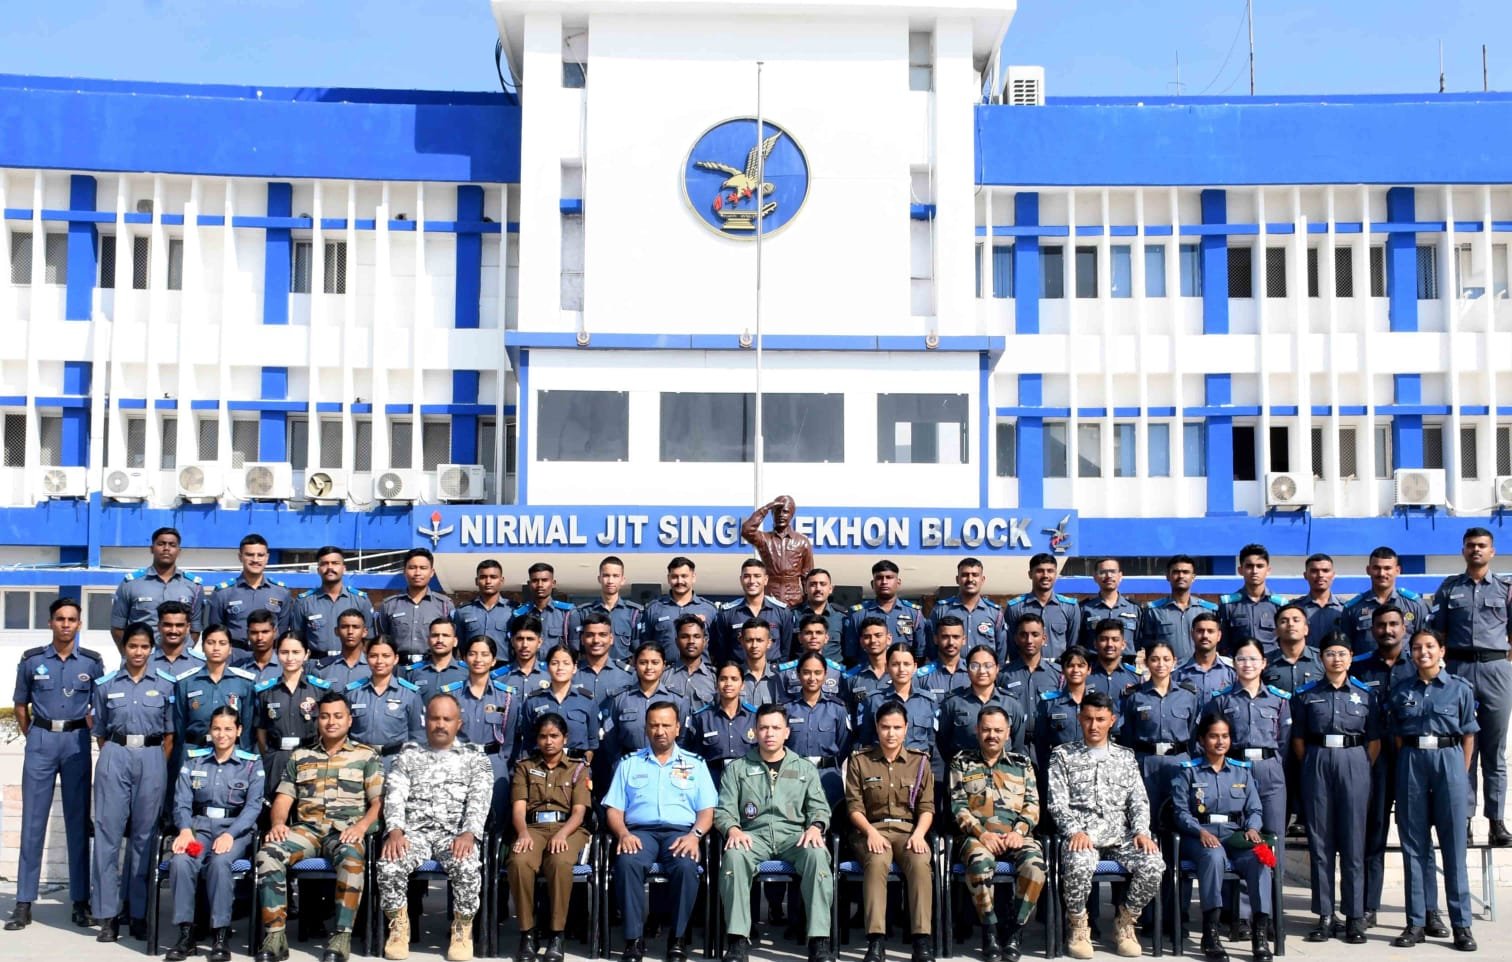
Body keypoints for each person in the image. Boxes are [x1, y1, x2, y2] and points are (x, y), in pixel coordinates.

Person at [254, 692, 382, 962]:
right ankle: (275, 936)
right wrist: (278, 824)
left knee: (351, 858)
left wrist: (361, 827)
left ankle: (341, 936)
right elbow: (284, 797)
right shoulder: (300, 756)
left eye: (338, 716)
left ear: (349, 720)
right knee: (268, 853)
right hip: (307, 832)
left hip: (345, 831)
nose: (331, 722)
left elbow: (378, 803)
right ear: (317, 720)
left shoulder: (365, 756)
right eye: (324, 716)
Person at [7, 596, 103, 931]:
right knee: (33, 823)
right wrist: (35, 735)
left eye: (71, 619)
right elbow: (21, 705)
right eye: (60, 619)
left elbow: (99, 708)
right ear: (50, 623)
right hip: (42, 741)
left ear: (79, 624)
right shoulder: (32, 661)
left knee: (78, 823)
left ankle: (80, 901)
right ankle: (23, 902)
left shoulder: (91, 663)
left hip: (76, 742)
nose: (65, 624)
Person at [377, 692, 494, 962]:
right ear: (425, 721)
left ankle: (462, 929)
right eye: (434, 718)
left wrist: (469, 833)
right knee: (389, 863)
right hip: (413, 834)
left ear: (459, 724)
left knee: (466, 865)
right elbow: (395, 795)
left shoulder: (475, 758)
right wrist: (394, 830)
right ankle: (398, 926)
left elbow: (480, 800)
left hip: (454, 835)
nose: (440, 724)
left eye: (447, 719)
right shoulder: (407, 756)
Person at [1047, 691, 1163, 960]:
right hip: (1082, 834)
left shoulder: (1125, 757)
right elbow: (1057, 803)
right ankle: (1078, 924)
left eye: (1100, 719)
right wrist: (1073, 830)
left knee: (1154, 863)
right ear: (1079, 719)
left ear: (1112, 720)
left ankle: (1126, 922)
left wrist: (1142, 832)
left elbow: (1138, 801)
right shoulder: (1063, 755)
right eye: (1088, 719)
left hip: (1119, 835)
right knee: (1078, 862)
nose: (1093, 725)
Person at [715, 703, 835, 962]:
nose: (769, 733)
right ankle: (737, 939)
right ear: (754, 732)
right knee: (734, 858)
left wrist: (816, 827)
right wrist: (733, 829)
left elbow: (819, 808)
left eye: (776, 728)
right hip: (752, 836)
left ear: (787, 732)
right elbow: (724, 810)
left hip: (794, 836)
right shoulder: (737, 768)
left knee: (817, 855)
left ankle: (819, 940)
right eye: (764, 727)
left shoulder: (804, 768)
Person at [603, 701, 717, 962]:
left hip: (681, 833)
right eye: (654, 725)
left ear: (678, 728)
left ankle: (677, 939)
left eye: (666, 725)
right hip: (639, 832)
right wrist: (622, 833)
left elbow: (707, 811)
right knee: (627, 863)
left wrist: (695, 836)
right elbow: (614, 809)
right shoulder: (629, 763)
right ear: (646, 728)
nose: (660, 731)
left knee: (687, 867)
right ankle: (633, 939)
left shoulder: (695, 764)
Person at [1352, 605, 1442, 933]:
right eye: (1381, 625)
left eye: (1393, 624)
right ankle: (1367, 906)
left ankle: (1429, 910)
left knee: (1417, 838)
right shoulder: (1359, 668)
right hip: (1373, 760)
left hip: (1412, 761)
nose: (1387, 630)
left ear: (1403, 628)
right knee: (1371, 836)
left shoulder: (1417, 664)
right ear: (1372, 630)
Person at [1387, 630, 1479, 952]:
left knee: (1454, 848)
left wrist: (1459, 772)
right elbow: (1398, 736)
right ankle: (1416, 922)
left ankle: (1461, 925)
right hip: (1412, 762)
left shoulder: (1459, 689)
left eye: (1429, 647)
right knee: (1414, 846)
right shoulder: (1401, 692)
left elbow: (1469, 735)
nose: (1422, 652)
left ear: (1442, 651)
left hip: (1449, 762)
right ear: (1410, 653)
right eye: (1416, 648)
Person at [1290, 633, 1380, 943]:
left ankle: (1354, 915)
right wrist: (1317, 762)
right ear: (1321, 658)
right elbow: (1299, 741)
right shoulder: (1305, 695)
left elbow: (1375, 742)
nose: (1336, 659)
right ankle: (1325, 915)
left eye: (1342, 653)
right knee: (1320, 843)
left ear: (1351, 656)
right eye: (1330, 653)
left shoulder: (1366, 695)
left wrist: (1356, 766)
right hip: (1317, 761)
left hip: (1354, 760)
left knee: (1354, 843)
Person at [92, 622, 175, 942]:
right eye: (132, 646)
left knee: (144, 839)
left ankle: (138, 913)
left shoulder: (166, 685)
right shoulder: (106, 684)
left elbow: (170, 735)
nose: (138, 652)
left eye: (144, 647)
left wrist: (155, 764)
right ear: (123, 648)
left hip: (153, 757)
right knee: (107, 836)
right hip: (115, 754)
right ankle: (108, 915)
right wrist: (118, 754)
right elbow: (99, 730)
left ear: (151, 648)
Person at [1430, 527, 1512, 847]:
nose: (1476, 550)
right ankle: (1462, 817)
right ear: (1463, 551)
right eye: (1470, 546)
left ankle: (1496, 820)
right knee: (1463, 747)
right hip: (1459, 670)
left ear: (1492, 551)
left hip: (1495, 670)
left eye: (1482, 546)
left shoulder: (1505, 589)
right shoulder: (1449, 589)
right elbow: (1438, 636)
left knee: (1495, 749)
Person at [1169, 713, 1274, 962]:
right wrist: (1200, 831)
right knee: (1214, 857)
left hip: (1234, 835)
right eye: (1214, 736)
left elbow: (1255, 809)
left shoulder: (1242, 772)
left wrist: (1253, 828)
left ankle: (1259, 934)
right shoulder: (1189, 772)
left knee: (1260, 859)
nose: (1220, 741)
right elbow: (1180, 812)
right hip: (1199, 837)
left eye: (1224, 736)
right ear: (1203, 740)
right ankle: (1211, 934)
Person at [164, 707, 265, 962]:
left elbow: (253, 807)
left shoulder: (251, 764)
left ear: (239, 731)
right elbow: (182, 802)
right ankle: (186, 934)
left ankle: (221, 935)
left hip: (234, 830)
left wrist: (231, 834)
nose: (222, 734)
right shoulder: (194, 761)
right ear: (210, 730)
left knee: (221, 863)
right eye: (217, 728)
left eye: (228, 728)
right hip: (199, 830)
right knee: (182, 861)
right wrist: (185, 830)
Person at [949, 705, 1046, 962]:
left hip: (1018, 835)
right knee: (979, 863)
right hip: (976, 837)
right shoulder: (961, 761)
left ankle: (1014, 931)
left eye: (998, 730)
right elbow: (958, 806)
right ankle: (990, 932)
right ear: (977, 730)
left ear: (1008, 732)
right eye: (987, 729)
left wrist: (1019, 831)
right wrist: (982, 834)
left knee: (1035, 867)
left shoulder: (1022, 764)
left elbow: (1033, 805)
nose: (992, 735)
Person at [845, 702, 935, 962]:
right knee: (877, 861)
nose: (891, 733)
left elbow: (927, 807)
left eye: (897, 727)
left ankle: (921, 940)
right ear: (877, 728)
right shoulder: (860, 761)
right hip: (870, 830)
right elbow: (854, 806)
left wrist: (919, 835)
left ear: (906, 729)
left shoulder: (920, 763)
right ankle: (876, 940)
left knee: (920, 863)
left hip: (908, 830)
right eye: (885, 727)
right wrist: (871, 833)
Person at [506, 712, 592, 962]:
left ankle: (557, 934)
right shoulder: (525, 767)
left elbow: (579, 812)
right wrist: (522, 833)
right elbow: (519, 809)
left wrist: (563, 833)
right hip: (532, 828)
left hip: (568, 828)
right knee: (519, 862)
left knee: (559, 862)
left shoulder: (578, 769)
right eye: (543, 736)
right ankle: (528, 933)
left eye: (554, 736)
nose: (549, 741)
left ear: (564, 738)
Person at [1208, 640, 1290, 839]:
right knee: (1238, 831)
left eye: (1253, 659)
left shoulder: (1278, 699)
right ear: (1234, 663)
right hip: (1235, 768)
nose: (1247, 664)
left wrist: (1275, 764)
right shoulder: (1221, 700)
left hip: (1270, 770)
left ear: (1264, 663)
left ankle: (1276, 871)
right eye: (1241, 659)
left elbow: (1284, 741)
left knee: (1274, 832)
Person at [1118, 640, 1199, 828]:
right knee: (1146, 817)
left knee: (1179, 815)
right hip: (1146, 762)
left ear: (1174, 662)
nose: (1160, 664)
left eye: (1166, 659)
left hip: (1179, 761)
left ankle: (1176, 856)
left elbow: (1194, 735)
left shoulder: (1188, 695)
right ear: (1146, 663)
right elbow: (1127, 736)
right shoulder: (1134, 696)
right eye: (1154, 659)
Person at [254, 631, 334, 797]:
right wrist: (270, 755)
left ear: (307, 655)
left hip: (311, 758)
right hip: (277, 758)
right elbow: (261, 731)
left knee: (308, 809)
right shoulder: (266, 691)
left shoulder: (320, 690)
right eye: (284, 652)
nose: (290, 658)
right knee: (274, 808)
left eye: (296, 652)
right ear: (277, 654)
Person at [451, 635, 517, 818]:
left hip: (494, 761)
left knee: (496, 816)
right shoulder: (452, 694)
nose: (478, 659)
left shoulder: (507, 697)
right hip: (460, 762)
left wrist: (501, 761)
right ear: (464, 658)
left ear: (493, 660)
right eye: (472, 654)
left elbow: (509, 738)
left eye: (484, 654)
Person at [173, 624, 258, 767]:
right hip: (194, 752)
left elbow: (247, 728)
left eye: (222, 643)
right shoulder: (186, 682)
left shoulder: (244, 683)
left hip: (232, 754)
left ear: (230, 649)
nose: (216, 648)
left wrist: (244, 760)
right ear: (202, 647)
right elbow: (180, 727)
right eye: (210, 643)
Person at [111, 526, 204, 649]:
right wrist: (129, 655)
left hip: (178, 661)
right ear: (152, 549)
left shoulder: (194, 586)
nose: (166, 548)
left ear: (179, 551)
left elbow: (195, 629)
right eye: (161, 544)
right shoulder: (130, 584)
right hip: (142, 659)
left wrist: (183, 654)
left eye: (172, 545)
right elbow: (117, 627)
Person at [782, 651, 852, 804]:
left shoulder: (837, 709)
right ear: (798, 674)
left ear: (825, 674)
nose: (812, 678)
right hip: (793, 774)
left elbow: (844, 745)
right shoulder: (786, 709)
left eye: (817, 673)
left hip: (827, 775)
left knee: (831, 821)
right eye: (806, 673)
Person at [346, 635, 425, 768]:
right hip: (358, 762)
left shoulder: (410, 694)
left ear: (396, 659)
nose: (379, 661)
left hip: (396, 762)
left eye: (386, 656)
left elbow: (418, 735)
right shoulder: (352, 692)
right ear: (366, 658)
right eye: (373, 656)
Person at [939, 645, 1026, 763]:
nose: (982, 671)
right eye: (975, 666)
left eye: (988, 666)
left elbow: (1018, 745)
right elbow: (943, 742)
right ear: (967, 669)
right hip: (963, 773)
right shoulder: (952, 703)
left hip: (1002, 773)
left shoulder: (1011, 703)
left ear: (997, 668)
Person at [286, 547, 374, 658]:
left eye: (335, 563)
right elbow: (297, 639)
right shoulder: (304, 602)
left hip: (351, 663)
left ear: (344, 568)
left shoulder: (361, 601)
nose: (330, 567)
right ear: (318, 570)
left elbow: (368, 639)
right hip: (316, 665)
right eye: (324, 564)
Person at [1340, 546, 1431, 654]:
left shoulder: (1415, 605)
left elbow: (1425, 641)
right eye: (1376, 568)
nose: (1382, 573)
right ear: (1368, 570)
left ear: (1397, 570)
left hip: (1406, 669)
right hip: (1366, 669)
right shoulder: (1353, 608)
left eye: (1387, 568)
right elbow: (1345, 648)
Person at [205, 533, 290, 650]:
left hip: (269, 657)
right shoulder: (223, 593)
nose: (255, 560)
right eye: (250, 555)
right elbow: (215, 631)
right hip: (234, 656)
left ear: (267, 558)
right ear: (240, 557)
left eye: (260, 555)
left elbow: (283, 630)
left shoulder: (281, 593)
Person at [603, 642, 688, 758]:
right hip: (629, 763)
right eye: (643, 662)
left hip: (666, 764)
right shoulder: (620, 699)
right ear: (635, 665)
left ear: (664, 665)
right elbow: (611, 738)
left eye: (655, 662)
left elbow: (683, 738)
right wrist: (620, 763)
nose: (649, 667)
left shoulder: (677, 700)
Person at [682, 662, 760, 784]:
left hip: (748, 783)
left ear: (742, 685)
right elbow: (693, 756)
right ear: (716, 685)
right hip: (712, 783)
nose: (728, 684)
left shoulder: (755, 717)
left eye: (734, 679)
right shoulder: (702, 718)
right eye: (723, 679)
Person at [377, 548, 456, 663]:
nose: (417, 573)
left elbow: (452, 641)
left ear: (432, 572)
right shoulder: (389, 605)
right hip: (398, 667)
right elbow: (382, 640)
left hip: (431, 668)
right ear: (404, 571)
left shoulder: (444, 604)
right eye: (412, 568)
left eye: (423, 568)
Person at [521, 644, 599, 758]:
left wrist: (585, 765)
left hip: (575, 766)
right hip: (541, 766)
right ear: (547, 667)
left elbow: (592, 742)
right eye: (554, 663)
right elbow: (528, 740)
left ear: (574, 668)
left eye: (566, 663)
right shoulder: (534, 701)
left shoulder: (587, 700)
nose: (560, 668)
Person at [1138, 555, 1218, 663]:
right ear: (1168, 576)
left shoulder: (1208, 610)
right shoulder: (1154, 611)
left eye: (1185, 572)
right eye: (1176, 572)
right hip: (1168, 673)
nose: (1181, 576)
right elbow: (1148, 647)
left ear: (1193, 577)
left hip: (1200, 671)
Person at [641, 556, 721, 663]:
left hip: (700, 675)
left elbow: (717, 647)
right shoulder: (654, 609)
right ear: (668, 578)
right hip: (664, 675)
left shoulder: (709, 609)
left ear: (693, 577)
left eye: (684, 576)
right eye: (675, 576)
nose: (679, 581)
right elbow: (645, 645)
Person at [1001, 554, 1081, 661]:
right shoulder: (1015, 608)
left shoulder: (1070, 607)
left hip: (1058, 673)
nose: (1045, 575)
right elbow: (1011, 646)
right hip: (1025, 671)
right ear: (1030, 574)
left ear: (1056, 574)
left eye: (1050, 571)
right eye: (1040, 571)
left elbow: (1073, 645)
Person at [713, 558, 794, 664]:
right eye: (747, 576)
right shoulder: (727, 613)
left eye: (757, 576)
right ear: (741, 580)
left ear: (765, 580)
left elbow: (786, 651)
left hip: (774, 676)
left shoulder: (782, 612)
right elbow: (722, 652)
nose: (752, 581)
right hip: (739, 676)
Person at [844, 561, 925, 665]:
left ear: (898, 582)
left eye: (889, 577)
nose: (884, 582)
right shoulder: (858, 614)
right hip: (868, 675)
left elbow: (920, 653)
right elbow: (851, 653)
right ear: (873, 584)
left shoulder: (913, 613)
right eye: (879, 578)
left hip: (902, 674)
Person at [998, 615, 1062, 748]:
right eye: (1023, 634)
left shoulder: (1058, 674)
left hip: (1048, 745)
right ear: (1016, 639)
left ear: (1044, 639)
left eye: (1035, 634)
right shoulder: (1003, 675)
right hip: (1015, 745)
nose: (1029, 640)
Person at [741, 495, 815, 608]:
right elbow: (747, 530)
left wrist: (807, 603)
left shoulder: (802, 541)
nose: (781, 515)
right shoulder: (764, 539)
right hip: (770, 597)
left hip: (795, 601)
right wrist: (765, 509)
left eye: (785, 512)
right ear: (772, 514)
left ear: (792, 514)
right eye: (777, 511)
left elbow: (807, 575)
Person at [569, 555, 644, 662]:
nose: (610, 581)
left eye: (615, 576)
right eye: (606, 575)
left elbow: (638, 650)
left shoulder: (634, 613)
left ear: (622, 580)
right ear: (599, 579)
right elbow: (575, 649)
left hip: (622, 675)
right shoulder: (584, 612)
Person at [930, 557, 1005, 662]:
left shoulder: (995, 613)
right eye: (965, 575)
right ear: (957, 579)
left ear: (982, 579)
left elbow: (1001, 650)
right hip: (950, 674)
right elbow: (931, 646)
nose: (970, 579)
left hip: (983, 674)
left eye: (975, 575)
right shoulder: (941, 610)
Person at [1035, 646, 1095, 770]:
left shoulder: (1097, 702)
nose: (1075, 670)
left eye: (1081, 665)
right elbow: (1041, 744)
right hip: (1059, 769)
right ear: (1062, 670)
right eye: (1070, 665)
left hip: (1091, 768)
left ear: (1089, 669)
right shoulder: (1049, 703)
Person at [1218, 545, 1285, 655]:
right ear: (1240, 570)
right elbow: (1223, 642)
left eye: (1260, 566)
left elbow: (1284, 640)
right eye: (1249, 566)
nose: (1254, 571)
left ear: (1268, 570)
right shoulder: (1228, 605)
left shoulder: (1279, 605)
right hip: (1240, 666)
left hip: (1271, 666)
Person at [773, 613, 847, 703]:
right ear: (800, 638)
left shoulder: (837, 672)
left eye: (819, 633)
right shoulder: (785, 672)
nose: (814, 637)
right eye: (808, 633)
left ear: (826, 638)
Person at [1080, 558, 1140, 659]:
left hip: (1126, 669)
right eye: (1103, 572)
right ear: (1095, 577)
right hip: (1094, 668)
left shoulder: (1134, 609)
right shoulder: (1084, 609)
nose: (1108, 576)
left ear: (1120, 576)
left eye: (1113, 571)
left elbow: (1139, 641)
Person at [1174, 613, 1235, 707]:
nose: (1205, 635)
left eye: (1210, 631)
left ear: (1219, 636)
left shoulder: (1232, 670)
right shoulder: (1177, 671)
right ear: (1192, 634)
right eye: (1200, 631)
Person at [513, 561, 574, 651]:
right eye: (535, 581)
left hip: (556, 664)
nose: (540, 585)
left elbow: (574, 646)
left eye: (544, 580)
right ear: (529, 584)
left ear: (553, 583)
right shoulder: (519, 614)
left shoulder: (567, 613)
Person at [453, 559, 513, 650]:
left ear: (501, 580)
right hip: (473, 663)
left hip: (504, 663)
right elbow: (458, 644)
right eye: (483, 577)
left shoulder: (512, 610)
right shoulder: (463, 611)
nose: (488, 581)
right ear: (477, 581)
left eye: (493, 577)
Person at [665, 613, 720, 712]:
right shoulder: (664, 676)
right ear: (677, 641)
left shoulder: (715, 677)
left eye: (696, 636)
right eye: (685, 636)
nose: (691, 641)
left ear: (705, 641)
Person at [405, 617, 468, 700]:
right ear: (428, 640)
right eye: (435, 635)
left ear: (455, 641)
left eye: (445, 635)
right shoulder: (412, 673)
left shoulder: (467, 673)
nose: (440, 640)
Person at [794, 567, 847, 665]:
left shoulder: (841, 617)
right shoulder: (793, 615)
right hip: (802, 673)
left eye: (822, 584)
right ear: (805, 589)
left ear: (830, 589)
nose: (818, 588)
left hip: (834, 675)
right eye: (813, 584)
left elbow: (848, 651)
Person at [316, 608, 373, 690]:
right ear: (336, 631)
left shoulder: (374, 667)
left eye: (355, 627)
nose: (350, 631)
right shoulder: (323, 668)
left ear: (364, 632)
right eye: (344, 627)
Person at [843, 617, 894, 709]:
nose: (873, 640)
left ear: (889, 639)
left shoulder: (901, 673)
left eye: (878, 635)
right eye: (867, 637)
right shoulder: (852, 677)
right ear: (861, 642)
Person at [917, 615, 972, 698]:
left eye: (956, 637)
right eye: (945, 637)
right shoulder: (922, 677)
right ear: (935, 639)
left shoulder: (973, 673)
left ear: (964, 640)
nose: (951, 642)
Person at [151, 600, 206, 682]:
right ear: (159, 626)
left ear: (188, 627)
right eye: (168, 625)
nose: (173, 630)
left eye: (179, 625)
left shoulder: (201, 664)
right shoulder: (144, 661)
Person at [1086, 620, 1141, 702]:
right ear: (1095, 644)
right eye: (1104, 639)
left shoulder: (1136, 677)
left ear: (1123, 645)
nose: (1110, 644)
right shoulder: (1084, 675)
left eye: (1115, 639)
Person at [1296, 553, 1345, 643]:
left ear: (1333, 575)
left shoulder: (1345, 608)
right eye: (1314, 571)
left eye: (1325, 570)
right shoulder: (1295, 608)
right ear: (1305, 575)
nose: (1320, 575)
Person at [239, 609, 282, 682]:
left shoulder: (286, 667)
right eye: (254, 633)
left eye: (265, 632)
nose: (259, 638)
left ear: (275, 633)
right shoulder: (238, 669)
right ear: (248, 634)